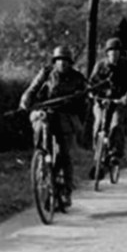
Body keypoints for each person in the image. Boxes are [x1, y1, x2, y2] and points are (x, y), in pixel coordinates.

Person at [19, 45, 87, 207]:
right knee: (42, 133)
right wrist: (26, 101)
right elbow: (32, 89)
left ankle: (66, 191)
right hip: (46, 112)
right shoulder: (46, 73)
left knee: (64, 155)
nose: (62, 64)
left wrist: (78, 97)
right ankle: (42, 161)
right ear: (54, 62)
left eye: (65, 61)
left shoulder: (78, 78)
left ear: (70, 63)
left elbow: (84, 102)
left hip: (66, 117)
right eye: (59, 60)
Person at [88, 37, 127, 177]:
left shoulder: (126, 65)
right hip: (102, 101)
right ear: (107, 53)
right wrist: (95, 96)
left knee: (116, 124)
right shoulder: (99, 66)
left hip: (119, 102)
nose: (114, 54)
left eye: (116, 51)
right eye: (111, 51)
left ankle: (116, 154)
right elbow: (91, 85)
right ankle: (97, 157)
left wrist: (126, 98)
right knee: (98, 126)